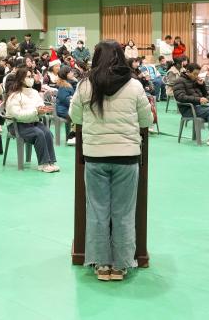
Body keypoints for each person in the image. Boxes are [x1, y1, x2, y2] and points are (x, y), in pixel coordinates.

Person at [69, 40, 153, 282]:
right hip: (127, 157)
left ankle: (101, 264)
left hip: (95, 156)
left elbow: (75, 116)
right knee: (124, 213)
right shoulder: (134, 85)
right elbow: (146, 120)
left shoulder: (85, 85)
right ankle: (121, 265)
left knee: (97, 211)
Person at [4, 67, 59, 172]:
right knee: (39, 134)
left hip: (32, 122)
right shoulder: (14, 95)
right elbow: (18, 115)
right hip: (16, 125)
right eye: (28, 77)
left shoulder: (34, 92)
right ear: (21, 79)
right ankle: (43, 164)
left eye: (31, 76)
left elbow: (39, 105)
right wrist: (36, 111)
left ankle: (50, 161)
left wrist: (42, 110)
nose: (31, 79)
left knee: (47, 132)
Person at [172, 62, 209, 147]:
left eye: (197, 74)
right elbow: (180, 97)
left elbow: (205, 95)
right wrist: (198, 100)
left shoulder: (195, 80)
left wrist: (202, 85)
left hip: (199, 107)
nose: (196, 76)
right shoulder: (179, 81)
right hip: (188, 109)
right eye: (194, 74)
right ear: (188, 71)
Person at [55, 66, 77, 144]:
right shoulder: (63, 85)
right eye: (70, 72)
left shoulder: (70, 83)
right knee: (77, 116)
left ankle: (74, 134)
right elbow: (65, 99)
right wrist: (73, 101)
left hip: (68, 108)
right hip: (63, 110)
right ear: (66, 74)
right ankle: (72, 136)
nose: (72, 73)